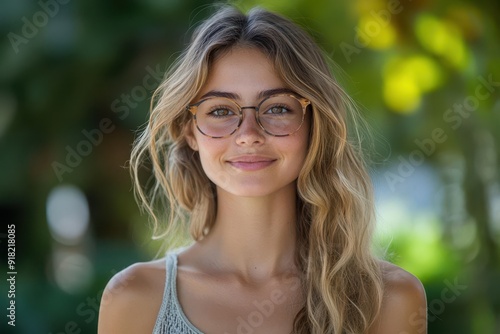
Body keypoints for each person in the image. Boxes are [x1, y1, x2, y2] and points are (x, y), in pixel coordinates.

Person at [98, 5, 427, 334]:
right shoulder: (136, 299)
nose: (248, 135)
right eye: (221, 110)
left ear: (315, 124)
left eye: (278, 107)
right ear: (189, 130)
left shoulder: (389, 299)